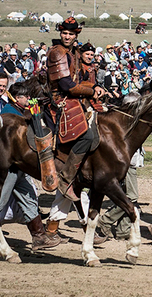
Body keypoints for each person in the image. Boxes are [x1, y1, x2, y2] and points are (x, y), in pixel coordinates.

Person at [0, 82, 62, 252]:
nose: (28, 99)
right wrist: (31, 113)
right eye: (25, 97)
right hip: (8, 167)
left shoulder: (19, 110)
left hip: (21, 166)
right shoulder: (7, 112)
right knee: (0, 201)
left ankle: (39, 237)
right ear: (16, 97)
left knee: (29, 200)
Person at [44, 17, 102, 240]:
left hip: (73, 99)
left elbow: (80, 79)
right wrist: (91, 91)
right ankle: (67, 175)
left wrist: (95, 88)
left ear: (75, 35)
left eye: (71, 34)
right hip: (59, 101)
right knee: (87, 136)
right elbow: (67, 85)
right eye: (64, 33)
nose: (67, 36)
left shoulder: (74, 52)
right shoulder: (57, 52)